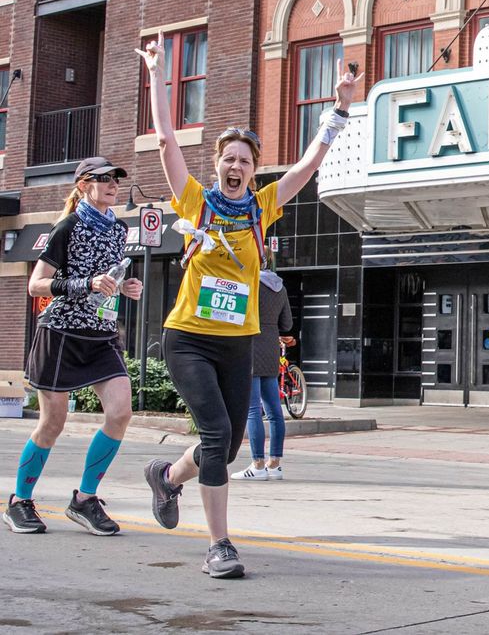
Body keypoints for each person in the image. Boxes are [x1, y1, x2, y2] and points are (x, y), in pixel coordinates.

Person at [136, 34, 359, 580]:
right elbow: (166, 143)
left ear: (254, 170)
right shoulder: (195, 201)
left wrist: (340, 108)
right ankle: (220, 545)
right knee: (217, 435)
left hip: (238, 342)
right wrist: (158, 76)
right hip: (188, 336)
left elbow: (307, 166)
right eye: (228, 159)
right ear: (217, 166)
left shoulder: (261, 208)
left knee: (230, 445)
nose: (235, 166)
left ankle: (167, 478)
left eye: (245, 160)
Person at [3, 157, 143, 536]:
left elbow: (108, 278)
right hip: (61, 334)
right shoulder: (67, 226)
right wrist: (86, 284)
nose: (112, 184)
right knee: (53, 423)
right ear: (83, 184)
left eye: (115, 179)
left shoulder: (117, 229)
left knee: (120, 412)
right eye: (103, 179)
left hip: (100, 334)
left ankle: (84, 499)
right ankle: (19, 501)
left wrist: (126, 288)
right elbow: (36, 284)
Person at [231, 255, 294, 481]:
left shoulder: (249, 283)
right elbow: (287, 324)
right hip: (270, 349)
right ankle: (274, 464)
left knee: (252, 410)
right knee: (275, 412)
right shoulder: (280, 287)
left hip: (250, 345)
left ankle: (257, 465)